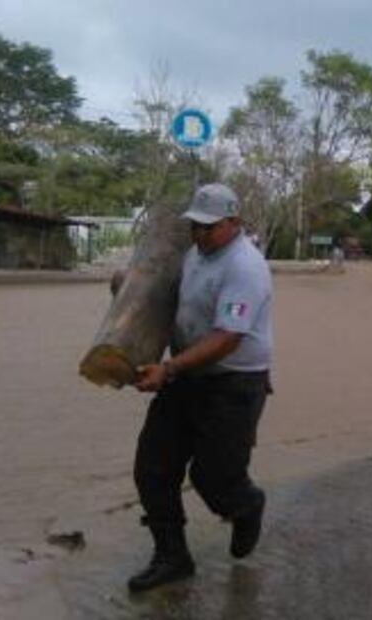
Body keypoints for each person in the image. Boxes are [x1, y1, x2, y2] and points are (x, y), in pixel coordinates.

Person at [129, 183, 274, 592]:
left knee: (214, 478)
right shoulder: (195, 255)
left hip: (234, 384)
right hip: (187, 377)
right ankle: (172, 557)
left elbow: (228, 337)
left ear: (234, 222)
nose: (200, 235)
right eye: (195, 226)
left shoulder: (245, 266)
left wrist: (168, 368)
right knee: (152, 469)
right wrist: (130, 288)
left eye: (209, 228)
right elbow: (175, 298)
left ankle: (246, 505)